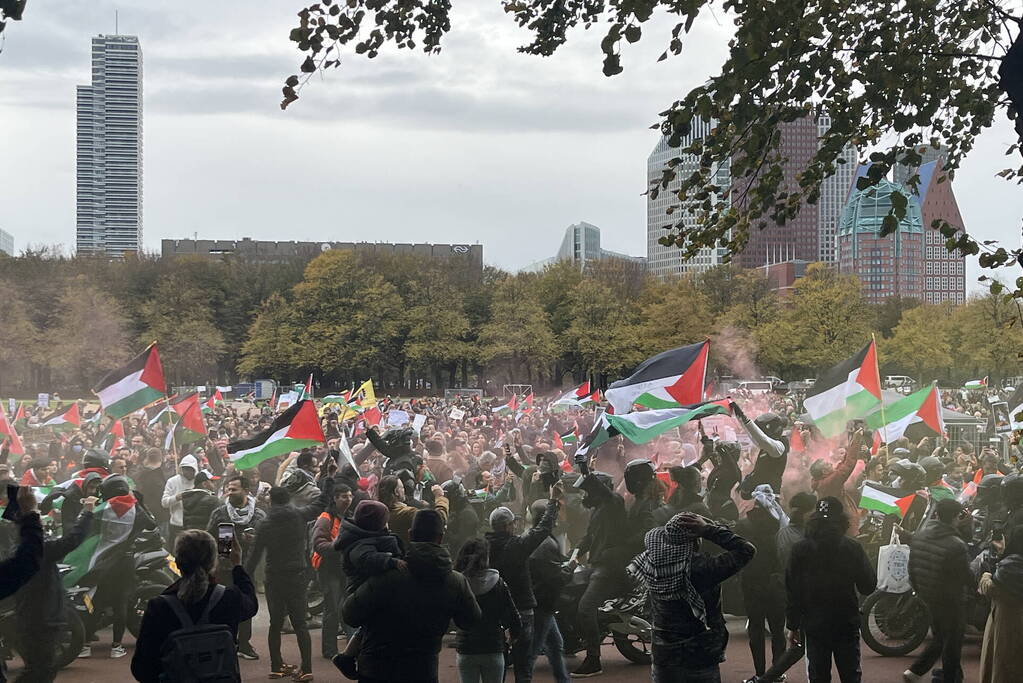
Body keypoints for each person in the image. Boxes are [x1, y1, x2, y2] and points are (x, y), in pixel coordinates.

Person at [342, 508, 482, 682]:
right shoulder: (456, 581)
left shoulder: (386, 576)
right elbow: (471, 620)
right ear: (440, 537)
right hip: (423, 669)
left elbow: (350, 614)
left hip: (377, 667)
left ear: (410, 535)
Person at [631, 512, 755, 683]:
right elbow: (746, 549)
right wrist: (709, 530)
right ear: (697, 540)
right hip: (698, 657)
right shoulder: (701, 569)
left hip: (663, 658)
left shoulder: (651, 563)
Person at [130, 529, 259, 683]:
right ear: (213, 562)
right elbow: (251, 604)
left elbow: (141, 668)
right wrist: (237, 565)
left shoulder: (159, 607)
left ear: (177, 563)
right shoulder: (228, 598)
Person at [245, 477, 334, 681]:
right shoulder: (298, 515)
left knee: (275, 623)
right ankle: (307, 668)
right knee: (300, 623)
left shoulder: (264, 523)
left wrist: (244, 577)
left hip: (274, 576)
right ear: (288, 499)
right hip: (297, 574)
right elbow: (323, 503)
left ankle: (276, 666)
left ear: (271, 501)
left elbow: (255, 554)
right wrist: (327, 477)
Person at [785, 497, 875, 683]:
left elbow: (793, 591)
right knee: (850, 674)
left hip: (814, 622)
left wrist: (793, 625)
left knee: (818, 674)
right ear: (842, 521)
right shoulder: (853, 547)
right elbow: (868, 585)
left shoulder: (800, 549)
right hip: (846, 619)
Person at [13, 493, 96, 682]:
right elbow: (73, 540)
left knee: (41, 669)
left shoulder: (22, 542)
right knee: (41, 670)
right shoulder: (36, 547)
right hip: (41, 618)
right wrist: (87, 512)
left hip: (35, 616)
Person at [487, 483, 561, 683]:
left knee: (499, 660)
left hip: (496, 610)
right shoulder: (517, 546)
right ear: (508, 526)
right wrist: (553, 501)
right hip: (522, 608)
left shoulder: (484, 547)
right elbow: (543, 528)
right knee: (524, 662)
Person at [81, 474, 158, 660]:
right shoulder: (136, 511)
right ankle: (116, 647)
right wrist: (137, 501)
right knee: (121, 604)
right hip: (126, 562)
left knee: (97, 602)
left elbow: (85, 525)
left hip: (104, 561)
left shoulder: (103, 509)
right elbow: (152, 524)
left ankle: (85, 645)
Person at [330, 499, 405, 679]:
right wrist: (391, 561)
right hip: (362, 590)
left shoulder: (362, 536)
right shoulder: (360, 543)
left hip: (368, 590)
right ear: (377, 523)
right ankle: (347, 656)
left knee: (367, 628)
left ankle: (347, 656)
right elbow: (366, 558)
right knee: (370, 627)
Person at [905, 498, 974, 683]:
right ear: (956, 517)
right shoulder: (956, 544)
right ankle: (945, 677)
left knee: (942, 637)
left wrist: (920, 591)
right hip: (950, 600)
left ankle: (918, 672)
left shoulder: (920, 535)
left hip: (928, 596)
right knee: (952, 640)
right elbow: (965, 576)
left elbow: (912, 568)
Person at [571, 467, 628, 678]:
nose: (585, 496)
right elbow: (587, 537)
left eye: (588, 491)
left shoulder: (614, 503)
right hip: (595, 564)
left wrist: (585, 469)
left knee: (586, 607)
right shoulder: (597, 509)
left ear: (599, 489)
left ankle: (593, 659)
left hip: (609, 567)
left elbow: (607, 494)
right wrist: (572, 556)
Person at [207, 474, 266, 661]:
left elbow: (266, 542)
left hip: (248, 568)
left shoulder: (259, 514)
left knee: (245, 606)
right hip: (224, 567)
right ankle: (227, 642)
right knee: (224, 605)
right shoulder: (220, 513)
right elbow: (208, 537)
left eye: (234, 489)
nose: (229, 493)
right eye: (228, 489)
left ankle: (244, 644)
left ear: (246, 491)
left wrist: (254, 540)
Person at [736, 485, 788, 680]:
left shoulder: (742, 525)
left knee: (755, 629)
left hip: (751, 582)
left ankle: (760, 673)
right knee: (778, 630)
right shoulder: (781, 524)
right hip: (776, 583)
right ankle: (777, 674)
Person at [454, 537, 522, 683]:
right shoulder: (498, 582)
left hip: (466, 648)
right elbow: (514, 618)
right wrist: (511, 637)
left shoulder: (459, 582)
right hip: (493, 647)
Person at [528, 499, 572, 683]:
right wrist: (570, 568)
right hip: (542, 601)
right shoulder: (545, 543)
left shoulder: (535, 537)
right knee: (532, 651)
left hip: (541, 600)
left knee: (555, 644)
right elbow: (554, 578)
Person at [311, 481, 354, 659]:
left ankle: (351, 646)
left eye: (350, 496)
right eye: (344, 496)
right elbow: (319, 544)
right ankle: (329, 649)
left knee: (347, 608)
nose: (348, 499)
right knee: (332, 610)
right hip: (329, 569)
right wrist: (338, 546)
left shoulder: (350, 516)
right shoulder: (325, 518)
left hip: (345, 569)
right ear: (335, 498)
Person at [978, 526, 1023, 682]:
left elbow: (991, 589)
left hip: (1006, 623)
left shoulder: (1009, 566)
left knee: (1002, 666)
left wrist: (986, 575)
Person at [732, 405, 789, 499]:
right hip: (760, 497)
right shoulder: (767, 447)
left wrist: (746, 420)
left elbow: (762, 439)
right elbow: (755, 437)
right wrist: (740, 417)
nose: (761, 432)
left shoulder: (779, 447)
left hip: (770, 500)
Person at [377, 474, 448, 543]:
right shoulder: (409, 513)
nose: (404, 490)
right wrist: (440, 497)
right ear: (396, 492)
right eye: (402, 487)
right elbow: (438, 520)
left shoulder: (379, 513)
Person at [161, 454, 199, 546]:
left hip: (195, 525)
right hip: (177, 524)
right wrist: (177, 497)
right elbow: (164, 502)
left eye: (190, 469)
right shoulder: (172, 481)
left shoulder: (199, 481)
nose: (188, 472)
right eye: (185, 469)